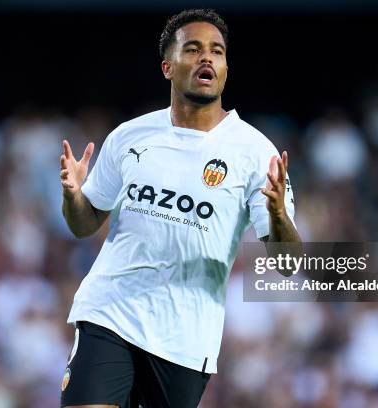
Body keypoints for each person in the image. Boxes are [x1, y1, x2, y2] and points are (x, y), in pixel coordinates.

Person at [58, 8, 301, 408]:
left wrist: (277, 215)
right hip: (110, 311)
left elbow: (289, 263)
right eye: (193, 49)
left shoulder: (255, 153)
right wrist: (73, 196)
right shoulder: (130, 136)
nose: (207, 58)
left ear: (225, 68)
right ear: (168, 67)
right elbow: (84, 224)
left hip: (185, 338)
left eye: (217, 51)